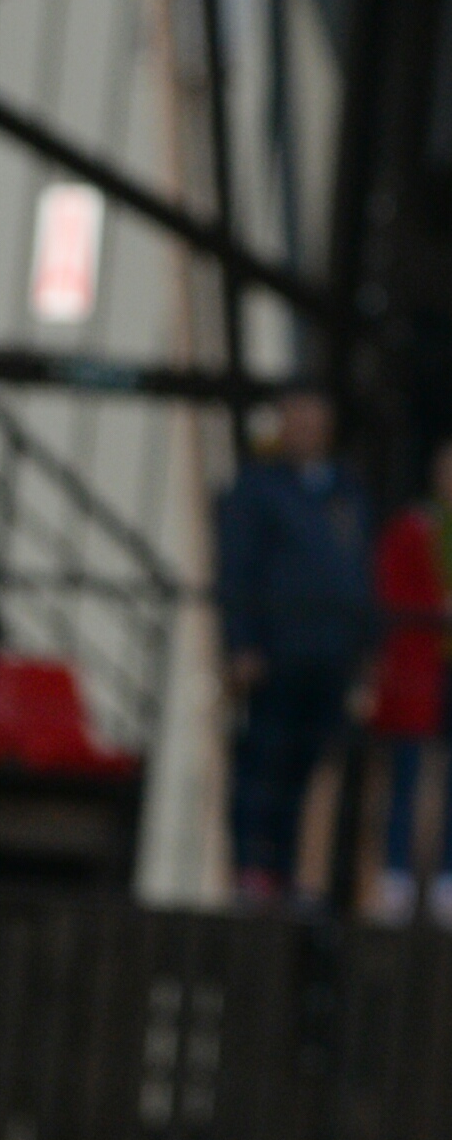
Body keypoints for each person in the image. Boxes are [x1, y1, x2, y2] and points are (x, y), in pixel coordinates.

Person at [213, 388, 379, 909]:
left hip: (330, 653)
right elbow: (237, 570)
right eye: (296, 417)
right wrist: (242, 643)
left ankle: (286, 875)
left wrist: (365, 652)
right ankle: (250, 870)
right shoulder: (258, 488)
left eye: (315, 417)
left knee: (308, 768)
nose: (305, 427)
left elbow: (361, 574)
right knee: (263, 761)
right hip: (277, 649)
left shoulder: (348, 492)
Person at [370, 438, 452, 924]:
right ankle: (394, 877)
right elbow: (390, 592)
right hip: (420, 671)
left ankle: (447, 881)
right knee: (405, 777)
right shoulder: (411, 527)